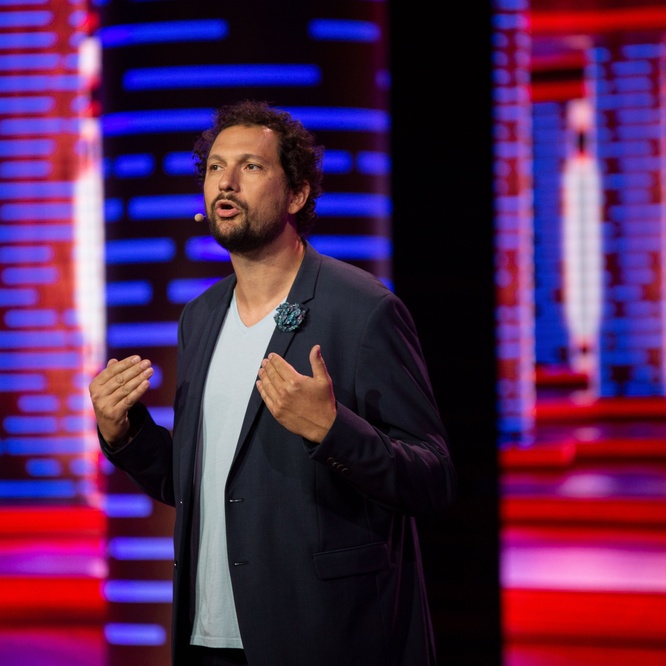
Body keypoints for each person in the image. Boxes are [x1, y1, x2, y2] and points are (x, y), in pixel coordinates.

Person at [89, 99, 456, 666]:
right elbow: (204, 485)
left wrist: (333, 431)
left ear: (298, 194)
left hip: (322, 637)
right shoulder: (200, 318)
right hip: (209, 639)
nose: (226, 181)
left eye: (251, 166)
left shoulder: (362, 310)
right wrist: (126, 433)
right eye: (215, 167)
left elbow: (434, 480)